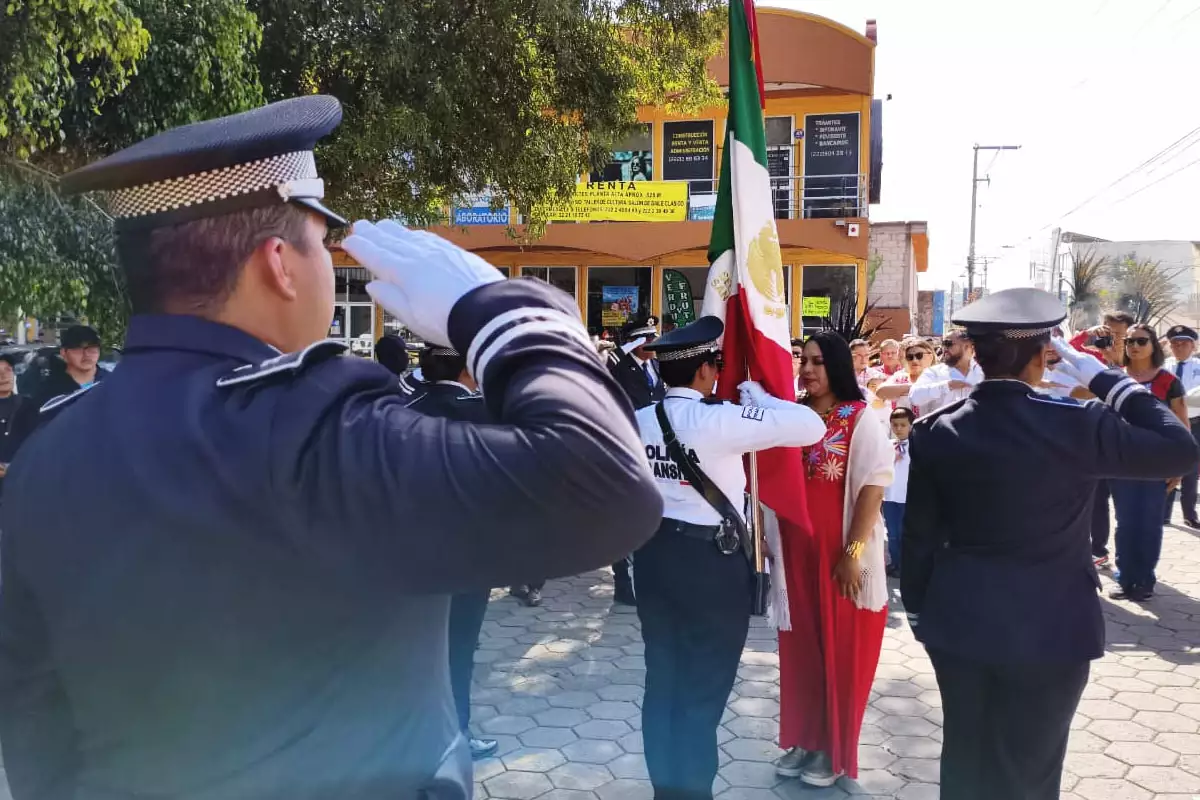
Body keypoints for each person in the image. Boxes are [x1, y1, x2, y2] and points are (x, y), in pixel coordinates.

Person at [0, 96, 663, 800]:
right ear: (279, 263)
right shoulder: (309, 422)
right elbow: (604, 485)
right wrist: (506, 313)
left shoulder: (49, 451)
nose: (331, 263)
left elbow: (36, 723)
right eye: (324, 240)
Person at [902, 288, 1198, 800]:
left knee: (966, 764)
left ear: (975, 352)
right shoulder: (1076, 423)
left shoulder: (936, 430)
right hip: (1052, 627)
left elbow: (918, 540)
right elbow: (1178, 449)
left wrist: (924, 619)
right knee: (1030, 773)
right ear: (1045, 356)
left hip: (959, 624)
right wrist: (1104, 377)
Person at [632, 316, 825, 800]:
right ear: (704, 371)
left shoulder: (637, 419)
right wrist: (758, 398)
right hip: (710, 566)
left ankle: (666, 790)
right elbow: (810, 425)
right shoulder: (716, 420)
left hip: (655, 559)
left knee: (663, 681)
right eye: (715, 365)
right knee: (703, 687)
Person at [774, 331, 893, 787]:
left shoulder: (860, 418)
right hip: (795, 555)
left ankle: (832, 748)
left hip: (840, 555)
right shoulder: (792, 417)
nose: (807, 370)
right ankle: (804, 738)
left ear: (839, 367)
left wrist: (853, 553)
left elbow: (873, 487)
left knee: (841, 652)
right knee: (801, 651)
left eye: (819, 362)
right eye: (803, 360)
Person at [404, 345, 500, 761]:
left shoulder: (404, 404)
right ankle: (454, 734)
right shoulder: (483, 411)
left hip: (410, 548)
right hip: (467, 552)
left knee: (415, 645)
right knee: (458, 648)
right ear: (465, 367)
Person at [1108, 324, 1188, 600]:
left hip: (1158, 462)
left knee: (1150, 522)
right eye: (1129, 341)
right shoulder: (1114, 378)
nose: (1134, 346)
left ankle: (1144, 580)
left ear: (1153, 345)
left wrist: (1180, 465)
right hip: (1122, 462)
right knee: (1126, 522)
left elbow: (1181, 423)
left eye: (1141, 341)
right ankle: (1125, 578)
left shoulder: (1167, 381)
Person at [604, 315, 665, 607]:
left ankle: (645, 575)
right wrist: (621, 350)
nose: (653, 344)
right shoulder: (619, 366)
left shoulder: (656, 366)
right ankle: (621, 581)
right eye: (648, 339)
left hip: (653, 449)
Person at [1163, 324, 1200, 527]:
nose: (1178, 347)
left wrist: (1180, 398)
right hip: (1167, 422)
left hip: (1194, 423)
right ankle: (1164, 514)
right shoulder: (1162, 366)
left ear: (1192, 346)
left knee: (1191, 470)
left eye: (1183, 343)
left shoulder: (1199, 366)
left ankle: (1189, 514)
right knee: (1167, 466)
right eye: (1174, 343)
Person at [908, 329, 982, 415]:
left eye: (948, 343)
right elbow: (914, 397)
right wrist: (947, 386)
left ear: (967, 346)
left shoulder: (984, 373)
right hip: (942, 427)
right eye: (943, 343)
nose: (945, 348)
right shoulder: (934, 372)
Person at [35, 324, 106, 408]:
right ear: (63, 353)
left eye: (92, 349)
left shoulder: (111, 381)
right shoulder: (50, 390)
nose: (86, 354)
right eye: (78, 349)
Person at [0, 353, 38, 499]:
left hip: (20, 483)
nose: (3, 376)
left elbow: (37, 441)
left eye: (8, 370)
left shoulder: (27, 406)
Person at [883, 407, 914, 577]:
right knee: (892, 533)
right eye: (895, 425)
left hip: (907, 497)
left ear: (911, 425)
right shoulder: (887, 446)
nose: (899, 429)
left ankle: (906, 565)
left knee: (905, 534)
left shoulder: (917, 446)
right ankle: (895, 563)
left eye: (903, 425)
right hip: (889, 497)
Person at [875, 337, 935, 417]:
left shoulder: (939, 378)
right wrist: (914, 388)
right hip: (900, 428)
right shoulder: (900, 377)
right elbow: (880, 392)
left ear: (930, 356)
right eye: (910, 357)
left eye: (919, 355)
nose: (914, 360)